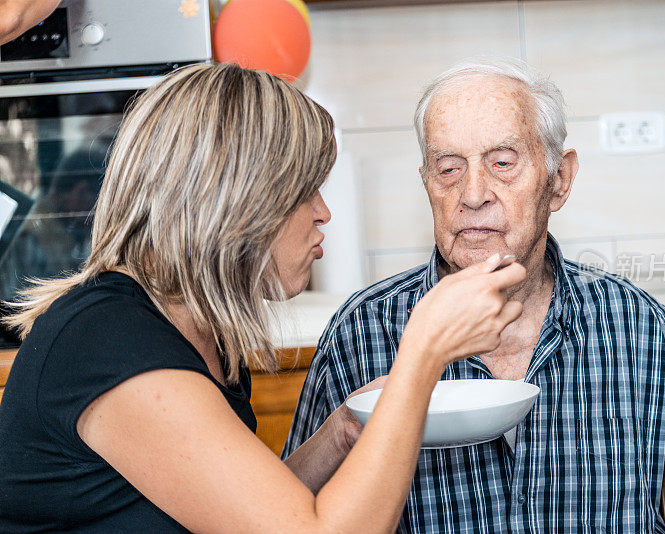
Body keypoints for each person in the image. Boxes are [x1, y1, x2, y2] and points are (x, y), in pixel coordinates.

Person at [0, 62, 527, 532]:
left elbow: (245, 512)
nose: (323, 212)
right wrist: (423, 352)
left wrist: (342, 434)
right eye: (306, 190)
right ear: (240, 201)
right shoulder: (110, 341)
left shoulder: (199, 336)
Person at [284, 57, 665, 533]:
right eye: (448, 168)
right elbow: (286, 508)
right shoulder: (363, 332)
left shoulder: (634, 323)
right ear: (426, 183)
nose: (473, 193)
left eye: (502, 162)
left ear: (559, 181)